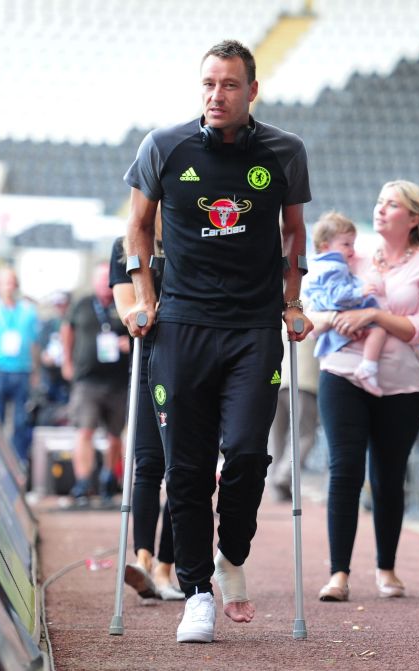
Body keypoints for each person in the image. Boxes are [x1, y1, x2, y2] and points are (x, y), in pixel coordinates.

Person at [121, 39, 312, 644]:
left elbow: (294, 232)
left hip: (254, 328)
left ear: (251, 91)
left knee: (249, 452)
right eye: (208, 83)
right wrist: (144, 296)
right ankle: (198, 592)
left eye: (229, 84)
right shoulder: (163, 146)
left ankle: (232, 554)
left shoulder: (284, 151)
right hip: (180, 327)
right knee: (186, 467)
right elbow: (137, 225)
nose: (216, 94)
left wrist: (293, 300)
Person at [309, 182, 419, 603]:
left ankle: (386, 567)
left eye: (392, 205)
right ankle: (338, 573)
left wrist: (373, 313)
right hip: (341, 375)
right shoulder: (350, 253)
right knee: (345, 470)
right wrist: (338, 317)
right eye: (379, 202)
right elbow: (310, 305)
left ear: (413, 219)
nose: (380, 210)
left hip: (403, 385)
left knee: (389, 477)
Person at [109, 231, 184, 602]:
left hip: (189, 362)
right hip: (147, 361)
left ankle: (166, 567)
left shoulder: (186, 235)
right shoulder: (124, 246)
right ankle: (142, 559)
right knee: (149, 462)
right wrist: (141, 311)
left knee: (183, 468)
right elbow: (126, 306)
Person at [60, 262, 130, 506]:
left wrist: (128, 344)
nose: (104, 283)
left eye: (107, 278)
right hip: (87, 382)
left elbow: (138, 332)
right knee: (84, 431)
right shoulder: (82, 304)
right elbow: (66, 331)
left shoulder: (124, 303)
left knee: (114, 436)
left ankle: (109, 478)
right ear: (93, 281)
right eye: (100, 278)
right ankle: (83, 482)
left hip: (118, 382)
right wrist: (66, 362)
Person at [305, 211, 388, 396]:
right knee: (378, 330)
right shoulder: (334, 266)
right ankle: (368, 368)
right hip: (335, 324)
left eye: (352, 244)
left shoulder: (323, 265)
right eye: (346, 244)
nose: (352, 250)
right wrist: (361, 291)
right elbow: (336, 296)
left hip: (334, 321)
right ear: (326, 246)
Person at [0, 265, 39, 468]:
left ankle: (17, 464)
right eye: (4, 282)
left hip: (22, 371)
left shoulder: (28, 312)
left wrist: (35, 372)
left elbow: (34, 344)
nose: (8, 286)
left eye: (11, 282)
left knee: (21, 422)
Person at [266, 324, 320, 502]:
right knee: (305, 435)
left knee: (276, 438)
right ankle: (283, 475)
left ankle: (275, 483)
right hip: (303, 382)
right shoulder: (311, 312)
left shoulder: (281, 316)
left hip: (278, 381)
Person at [33, 290, 72, 426]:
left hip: (68, 379)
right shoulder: (48, 325)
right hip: (50, 377)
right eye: (57, 304)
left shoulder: (73, 323)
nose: (60, 307)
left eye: (62, 304)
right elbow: (41, 351)